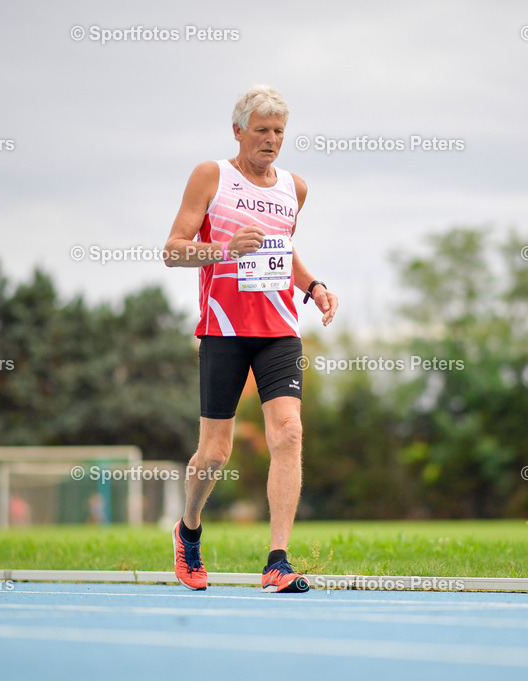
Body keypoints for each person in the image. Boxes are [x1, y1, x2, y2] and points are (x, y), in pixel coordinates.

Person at [164, 84, 338, 593]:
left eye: (279, 131)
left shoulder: (294, 188)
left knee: (289, 433)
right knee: (215, 454)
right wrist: (222, 250)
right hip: (223, 331)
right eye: (261, 130)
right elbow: (173, 250)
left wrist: (314, 286)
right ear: (237, 130)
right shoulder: (210, 176)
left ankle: (277, 561)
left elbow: (284, 250)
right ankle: (189, 530)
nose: (271, 140)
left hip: (279, 330)